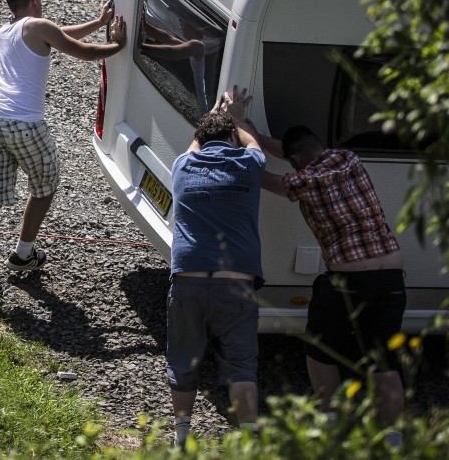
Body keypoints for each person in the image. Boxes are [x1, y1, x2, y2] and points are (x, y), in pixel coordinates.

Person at [226, 100, 406, 434]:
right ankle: (393, 439)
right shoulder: (348, 159)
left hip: (348, 282)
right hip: (393, 278)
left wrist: (237, 124)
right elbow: (290, 151)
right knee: (384, 363)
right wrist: (252, 129)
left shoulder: (303, 182)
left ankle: (331, 422)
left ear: (295, 163)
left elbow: (259, 172)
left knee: (320, 352)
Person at [0, 0, 125, 298]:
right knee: (44, 187)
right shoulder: (39, 26)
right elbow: (84, 51)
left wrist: (98, 22)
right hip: (25, 123)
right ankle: (24, 255)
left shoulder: (5, 32)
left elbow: (59, 37)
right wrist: (117, 45)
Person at [166, 94, 265, 447]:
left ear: (201, 141)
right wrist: (237, 117)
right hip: (236, 284)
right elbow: (254, 144)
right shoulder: (249, 165)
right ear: (232, 141)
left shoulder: (182, 167)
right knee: (241, 366)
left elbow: (193, 145)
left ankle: (180, 439)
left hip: (189, 280)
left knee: (183, 361)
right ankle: (251, 440)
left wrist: (208, 116)